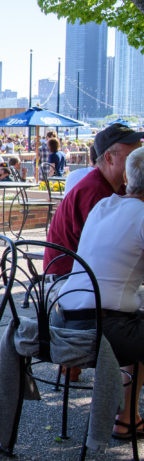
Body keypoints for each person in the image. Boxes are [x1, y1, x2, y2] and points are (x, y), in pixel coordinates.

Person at [52, 147, 144, 438]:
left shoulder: (103, 206)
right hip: (100, 329)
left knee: (135, 320)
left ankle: (126, 416)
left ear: (128, 178)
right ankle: (126, 419)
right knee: (135, 326)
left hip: (59, 321)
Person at [44, 124, 143, 278]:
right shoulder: (95, 191)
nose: (140, 161)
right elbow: (112, 250)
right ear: (109, 158)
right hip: (69, 282)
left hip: (89, 277)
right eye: (133, 156)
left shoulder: (118, 186)